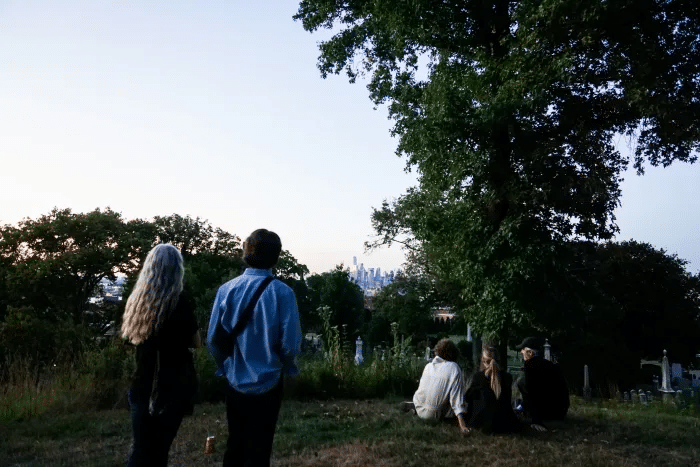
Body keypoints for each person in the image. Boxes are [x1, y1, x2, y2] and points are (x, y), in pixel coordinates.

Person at [208, 229, 301, 467]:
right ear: (276, 257)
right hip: (269, 381)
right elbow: (290, 345)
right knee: (261, 448)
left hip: (235, 380)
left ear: (246, 251)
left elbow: (213, 340)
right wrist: (288, 368)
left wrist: (224, 367)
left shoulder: (226, 290)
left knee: (235, 444)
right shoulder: (284, 293)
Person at [121, 243, 200, 467]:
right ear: (177, 269)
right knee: (159, 450)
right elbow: (196, 343)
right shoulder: (180, 302)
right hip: (173, 385)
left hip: (142, 383)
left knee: (141, 449)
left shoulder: (137, 301)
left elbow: (132, 337)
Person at [407, 338, 470, 434]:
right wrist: (462, 425)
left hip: (419, 405)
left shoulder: (428, 366)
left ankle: (415, 408)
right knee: (464, 403)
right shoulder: (454, 368)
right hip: (434, 414)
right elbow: (456, 399)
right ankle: (420, 410)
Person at [463, 344, 521, 433]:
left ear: (483, 360)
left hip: (481, 423)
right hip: (505, 423)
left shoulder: (478, 377)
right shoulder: (507, 377)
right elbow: (508, 400)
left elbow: (467, 398)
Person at [515, 337, 570, 431]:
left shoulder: (530, 367)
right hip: (560, 412)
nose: (521, 352)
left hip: (546, 413)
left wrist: (536, 419)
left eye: (523, 349)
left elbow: (533, 393)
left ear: (530, 352)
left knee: (521, 382)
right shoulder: (550, 366)